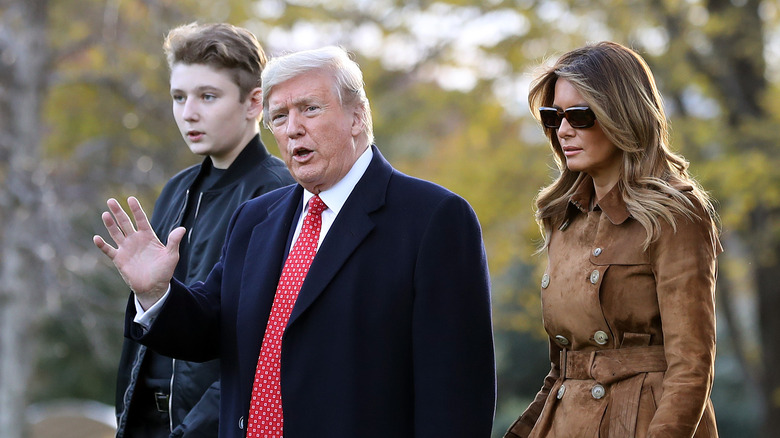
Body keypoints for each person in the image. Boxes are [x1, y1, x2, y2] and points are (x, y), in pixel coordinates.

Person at [95, 45, 496, 438]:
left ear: (357, 116)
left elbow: (456, 392)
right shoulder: (255, 218)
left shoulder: (435, 218)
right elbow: (210, 327)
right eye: (279, 117)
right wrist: (157, 293)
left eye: (310, 109)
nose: (292, 128)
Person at [503, 41, 722, 438]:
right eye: (554, 116)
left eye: (580, 116)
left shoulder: (674, 215)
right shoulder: (562, 217)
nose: (564, 129)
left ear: (622, 115)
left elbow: (692, 367)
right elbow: (563, 368)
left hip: (642, 422)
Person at [113, 22, 294, 438]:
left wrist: (196, 430)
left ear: (254, 103)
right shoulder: (177, 188)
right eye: (179, 97)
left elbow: (267, 348)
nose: (188, 112)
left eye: (207, 96)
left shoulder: (281, 193)